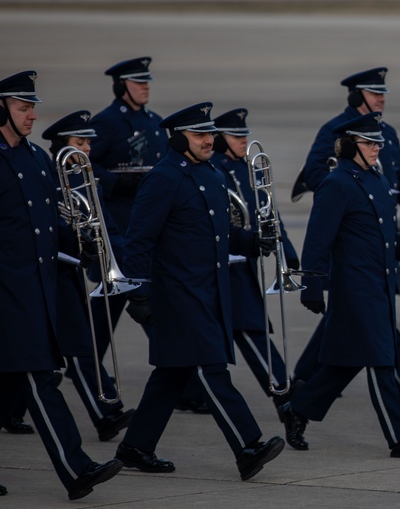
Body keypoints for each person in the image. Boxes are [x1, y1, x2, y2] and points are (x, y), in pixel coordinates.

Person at [114, 102, 285, 481]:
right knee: (212, 368)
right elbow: (138, 241)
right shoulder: (163, 178)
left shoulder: (210, 173)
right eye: (200, 135)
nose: (210, 140)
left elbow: (216, 233)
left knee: (171, 375)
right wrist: (138, 292)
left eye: (210, 134)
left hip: (211, 290)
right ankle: (247, 445)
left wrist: (251, 241)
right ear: (178, 140)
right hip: (177, 293)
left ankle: (135, 446)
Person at [280, 112, 400, 459]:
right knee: (383, 361)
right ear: (351, 144)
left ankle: (298, 408)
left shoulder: (375, 180)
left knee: (344, 363)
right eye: (368, 143)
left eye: (378, 142)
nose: (376, 149)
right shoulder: (337, 184)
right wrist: (312, 286)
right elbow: (317, 240)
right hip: (353, 288)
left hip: (379, 284)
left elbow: (383, 236)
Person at [0, 70, 123, 500]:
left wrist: (83, 243)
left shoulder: (36, 159)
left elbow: (50, 223)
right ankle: (77, 469)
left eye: (32, 107)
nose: (32, 115)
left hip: (36, 291)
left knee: (23, 378)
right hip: (7, 293)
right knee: (40, 378)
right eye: (22, 107)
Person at [292, 67, 400, 401]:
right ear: (356, 96)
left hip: (378, 233)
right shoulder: (334, 131)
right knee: (367, 318)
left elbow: (398, 181)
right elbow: (314, 173)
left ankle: (304, 383)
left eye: (382, 92)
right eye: (374, 93)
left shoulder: (389, 133)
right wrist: (351, 197)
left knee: (352, 319)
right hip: (351, 233)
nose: (381, 97)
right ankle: (399, 378)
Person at [87, 57, 208, 414]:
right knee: (100, 322)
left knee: (149, 312)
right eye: (138, 83)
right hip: (117, 231)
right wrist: (114, 181)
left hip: (146, 234)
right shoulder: (106, 123)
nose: (145, 87)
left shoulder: (156, 124)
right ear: (121, 86)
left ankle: (185, 386)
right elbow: (82, 161)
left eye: (147, 82)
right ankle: (80, 370)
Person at [42, 110, 136, 442]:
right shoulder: (48, 178)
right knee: (68, 350)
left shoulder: (87, 179)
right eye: (80, 142)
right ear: (62, 146)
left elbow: (107, 227)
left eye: (88, 143)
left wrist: (120, 262)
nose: (87, 149)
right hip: (50, 275)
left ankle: (106, 412)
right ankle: (105, 412)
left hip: (72, 276)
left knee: (73, 348)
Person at [211, 108, 299, 418]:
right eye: (236, 136)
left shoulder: (250, 169)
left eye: (244, 134)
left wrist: (285, 250)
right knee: (248, 331)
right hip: (221, 265)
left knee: (243, 332)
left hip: (243, 263)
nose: (243, 140)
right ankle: (284, 395)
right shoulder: (213, 170)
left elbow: (268, 212)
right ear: (219, 140)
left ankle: (284, 392)